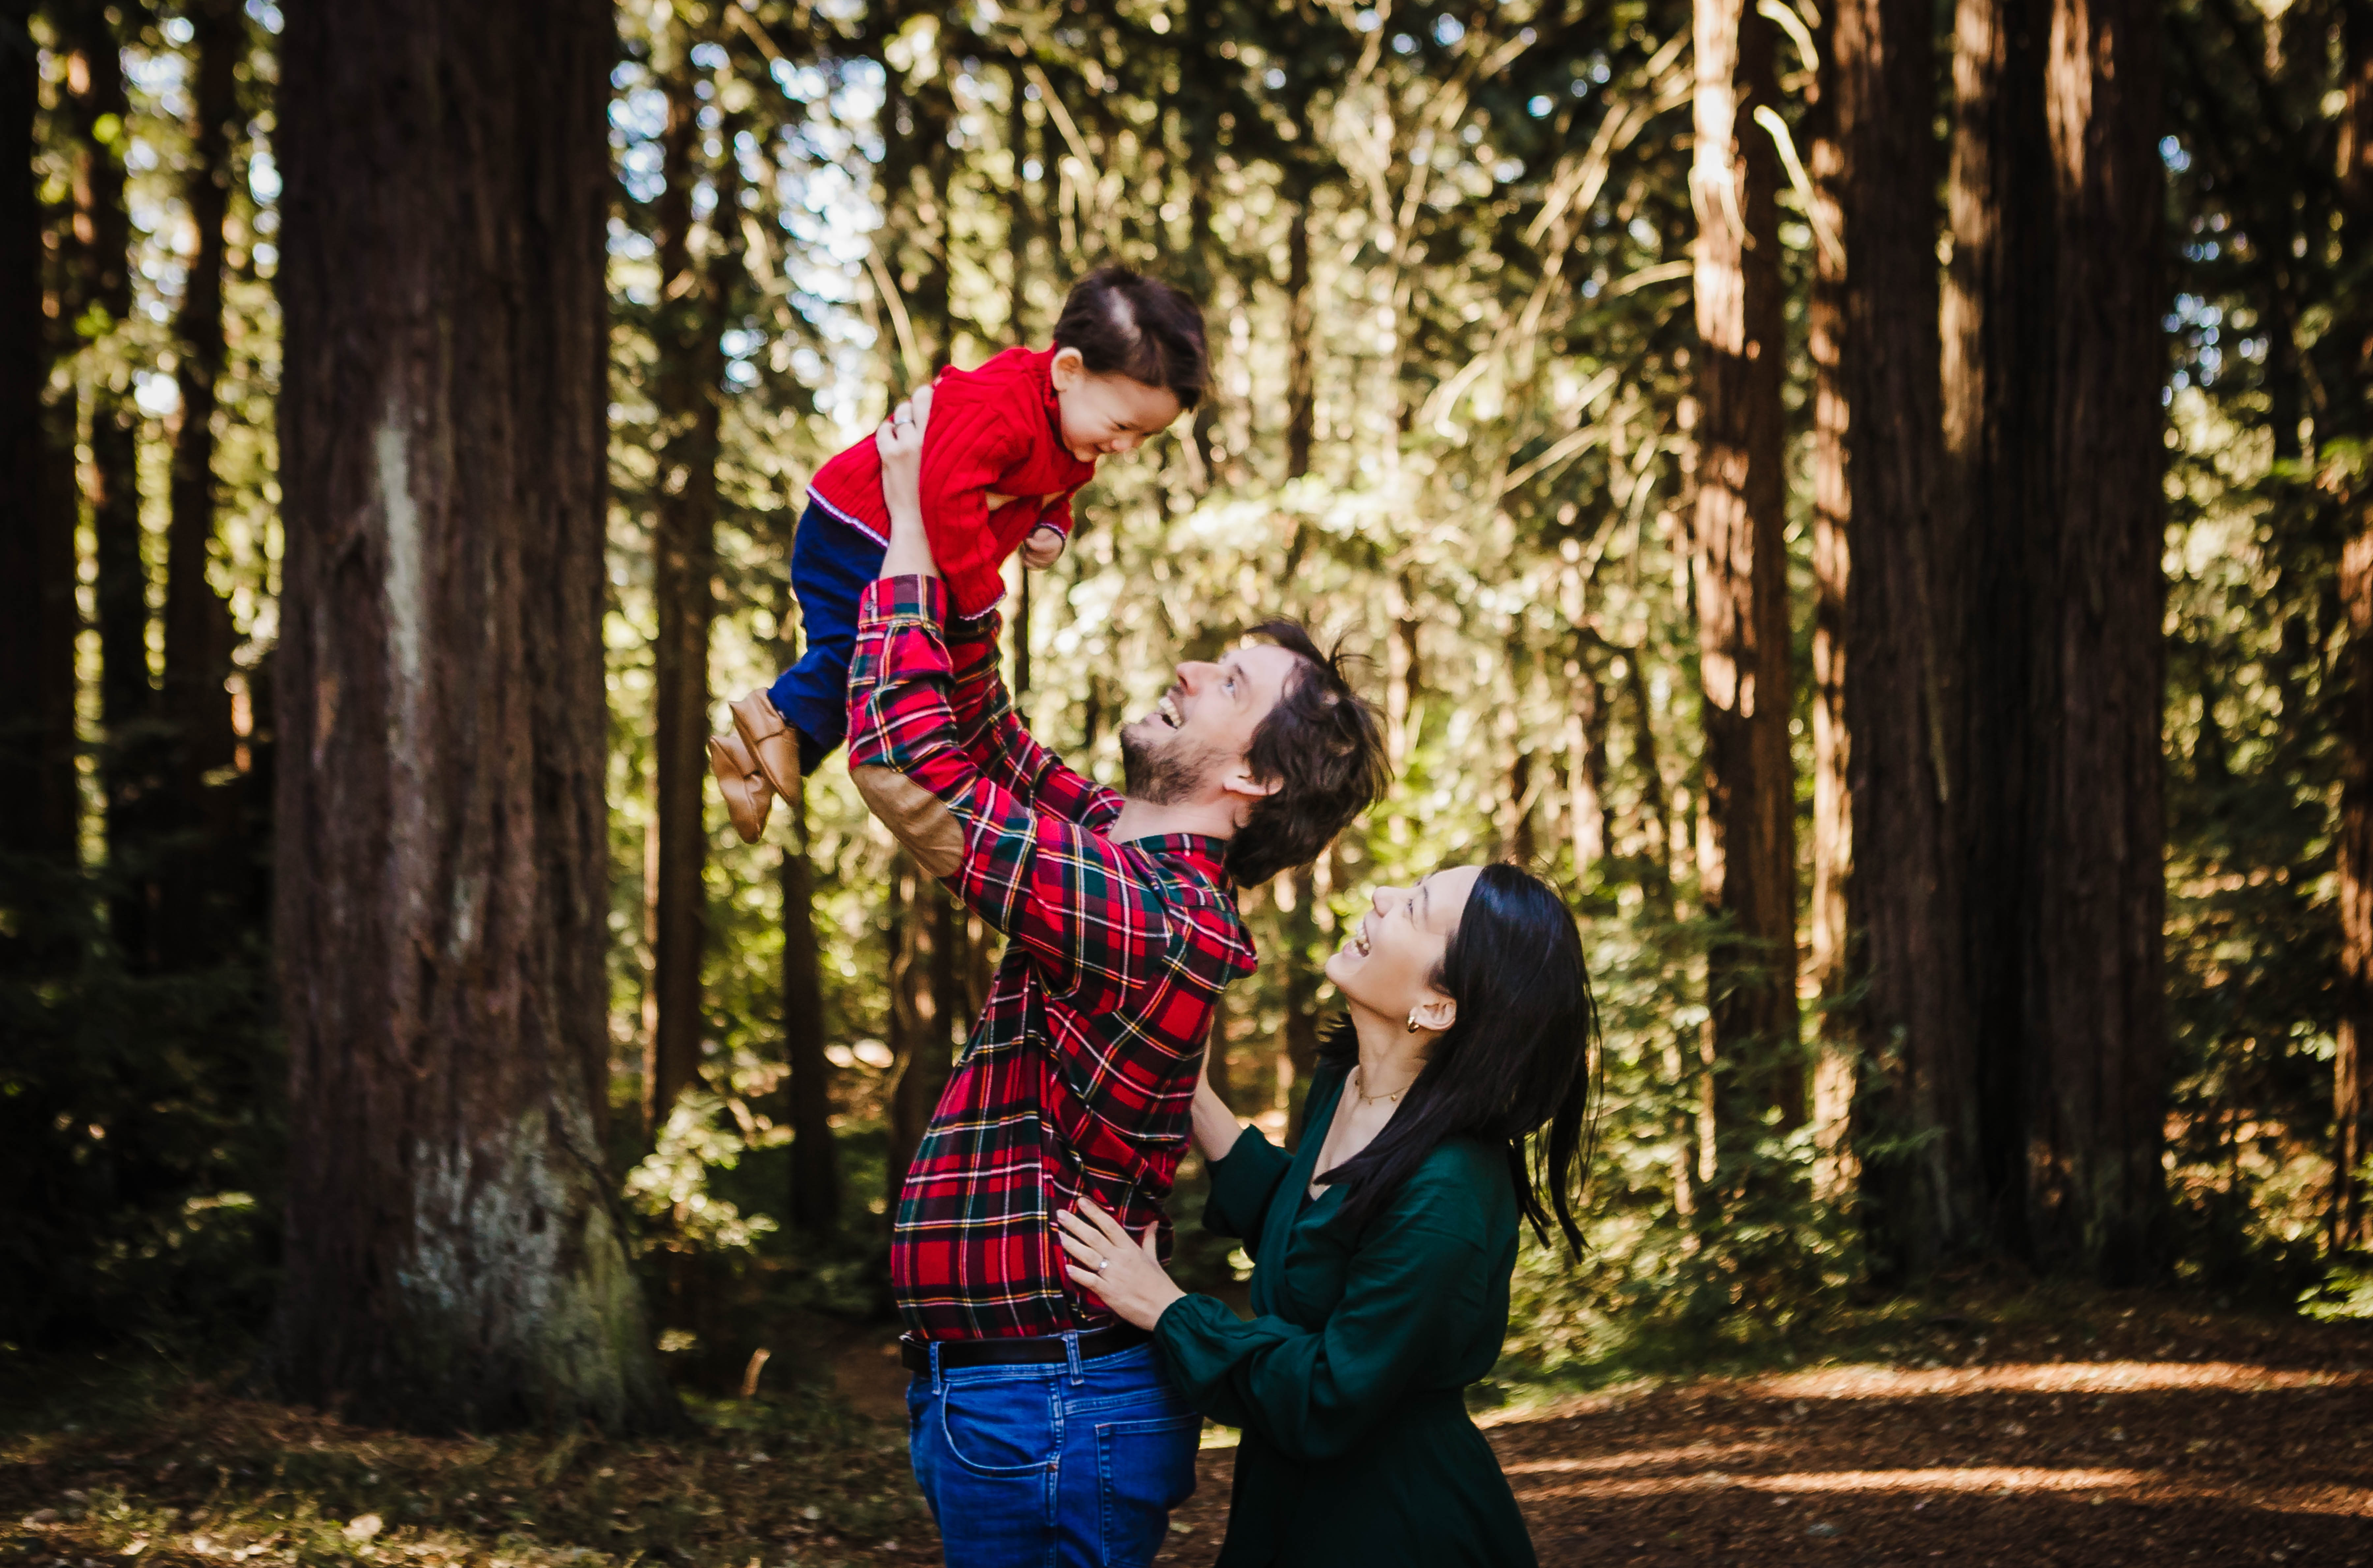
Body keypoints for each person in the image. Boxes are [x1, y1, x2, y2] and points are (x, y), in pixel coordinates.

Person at [849, 385, 1391, 1568]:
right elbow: (980, 729)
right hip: (1009, 1398)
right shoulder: (1117, 846)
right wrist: (964, 535)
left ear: (1253, 779)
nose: (1190, 670)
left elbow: (904, 762)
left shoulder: (1153, 915)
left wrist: (905, 525)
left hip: (1047, 1406)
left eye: (1231, 683)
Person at [1056, 861, 1600, 1568]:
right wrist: (1193, 1092)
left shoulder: (1448, 1188)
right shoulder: (1346, 1085)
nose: (1382, 895)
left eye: (1415, 907)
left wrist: (1165, 1308)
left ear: (1439, 1006)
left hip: (1394, 1522)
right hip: (1290, 1497)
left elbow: (1329, 1395)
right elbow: (1312, 1244)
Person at [707, 264, 1209, 843]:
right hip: (858, 527)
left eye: (1145, 436)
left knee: (873, 671)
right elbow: (947, 497)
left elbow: (1056, 491)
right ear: (1068, 370)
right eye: (1122, 425)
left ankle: (756, 759)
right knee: (872, 654)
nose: (1126, 446)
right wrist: (977, 598)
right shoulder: (1002, 407)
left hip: (895, 539)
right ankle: (771, 719)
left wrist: (1052, 525)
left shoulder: (1075, 433)